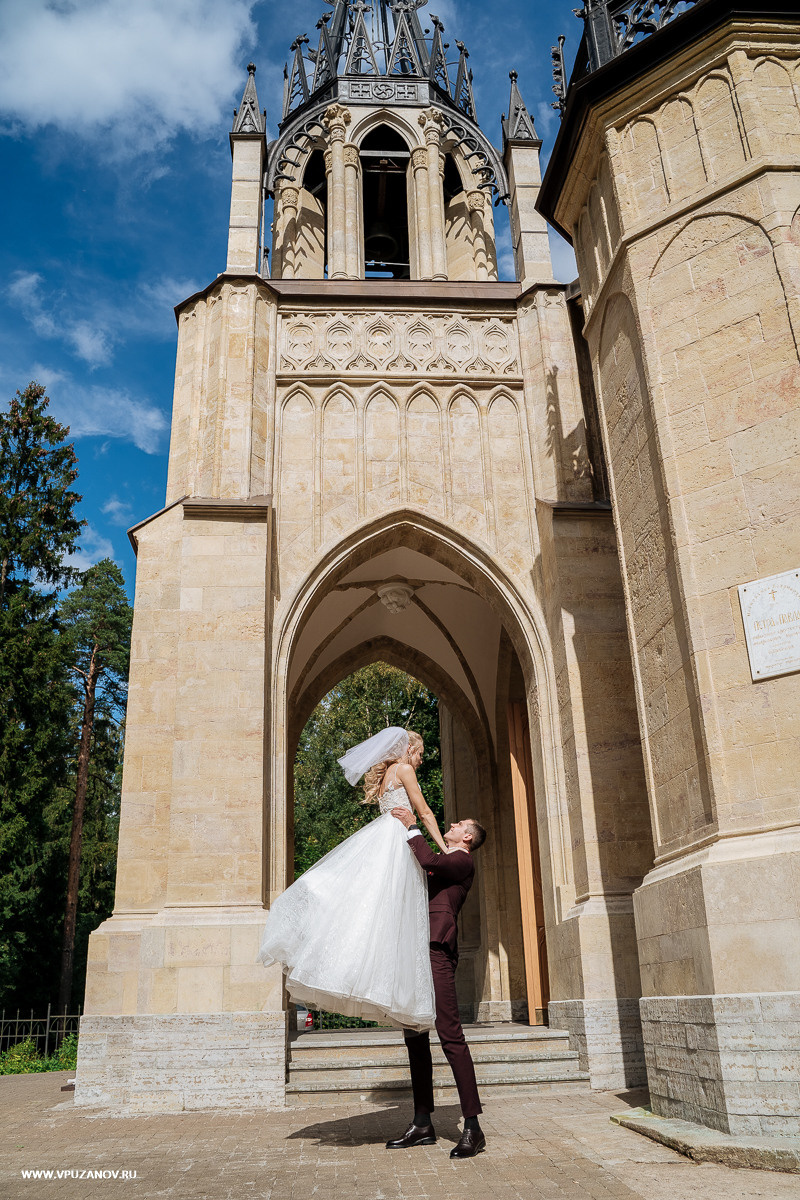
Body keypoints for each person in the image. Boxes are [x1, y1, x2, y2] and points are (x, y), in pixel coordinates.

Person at [257, 726, 447, 1030]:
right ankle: (394, 988)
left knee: (372, 910)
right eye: (420, 754)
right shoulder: (405, 770)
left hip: (382, 838)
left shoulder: (387, 774)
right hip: (397, 841)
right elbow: (424, 812)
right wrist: (444, 849)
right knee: (394, 914)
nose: (421, 760)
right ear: (408, 749)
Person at [386, 809, 488, 1159]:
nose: (454, 824)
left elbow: (428, 858)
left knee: (450, 1035)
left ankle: (473, 1127)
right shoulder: (450, 860)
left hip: (437, 952)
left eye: (460, 824)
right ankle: (422, 1123)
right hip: (416, 949)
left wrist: (411, 825)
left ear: (468, 838)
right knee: (414, 1032)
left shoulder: (462, 861)